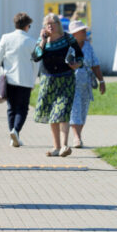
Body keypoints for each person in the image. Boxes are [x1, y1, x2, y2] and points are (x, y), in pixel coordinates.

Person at [32, 13, 83, 156]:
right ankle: (56, 147)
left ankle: (64, 146)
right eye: (47, 24)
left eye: (52, 23)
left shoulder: (68, 38)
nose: (50, 26)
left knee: (62, 112)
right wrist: (42, 41)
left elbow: (80, 56)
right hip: (48, 81)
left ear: (58, 24)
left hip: (66, 80)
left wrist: (76, 64)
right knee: (52, 114)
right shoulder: (43, 40)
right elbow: (35, 57)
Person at [0, 12, 37, 148]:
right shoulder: (31, 41)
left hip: (8, 78)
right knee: (22, 108)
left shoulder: (6, 38)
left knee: (11, 108)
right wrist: (33, 80)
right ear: (27, 26)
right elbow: (36, 63)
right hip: (25, 79)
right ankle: (16, 131)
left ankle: (13, 135)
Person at [68, 21, 105, 148]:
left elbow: (95, 63)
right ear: (74, 34)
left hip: (86, 84)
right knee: (74, 109)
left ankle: (78, 135)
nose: (85, 32)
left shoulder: (88, 46)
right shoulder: (68, 47)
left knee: (83, 110)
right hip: (71, 84)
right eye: (82, 31)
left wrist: (101, 81)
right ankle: (76, 137)